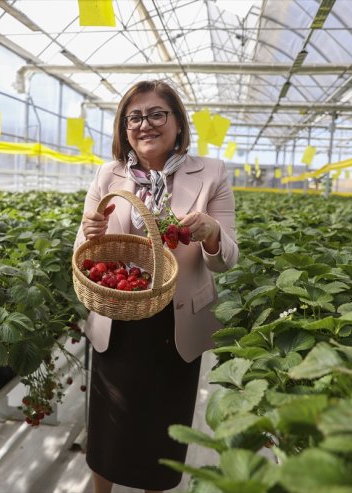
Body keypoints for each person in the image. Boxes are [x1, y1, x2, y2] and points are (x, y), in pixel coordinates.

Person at [74, 80, 240, 493]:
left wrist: (211, 231)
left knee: (163, 424)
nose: (145, 124)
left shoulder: (212, 173)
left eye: (156, 114)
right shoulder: (107, 174)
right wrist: (90, 233)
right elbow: (84, 250)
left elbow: (227, 258)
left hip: (175, 320)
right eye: (134, 117)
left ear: (179, 124)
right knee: (110, 420)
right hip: (119, 311)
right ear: (123, 127)